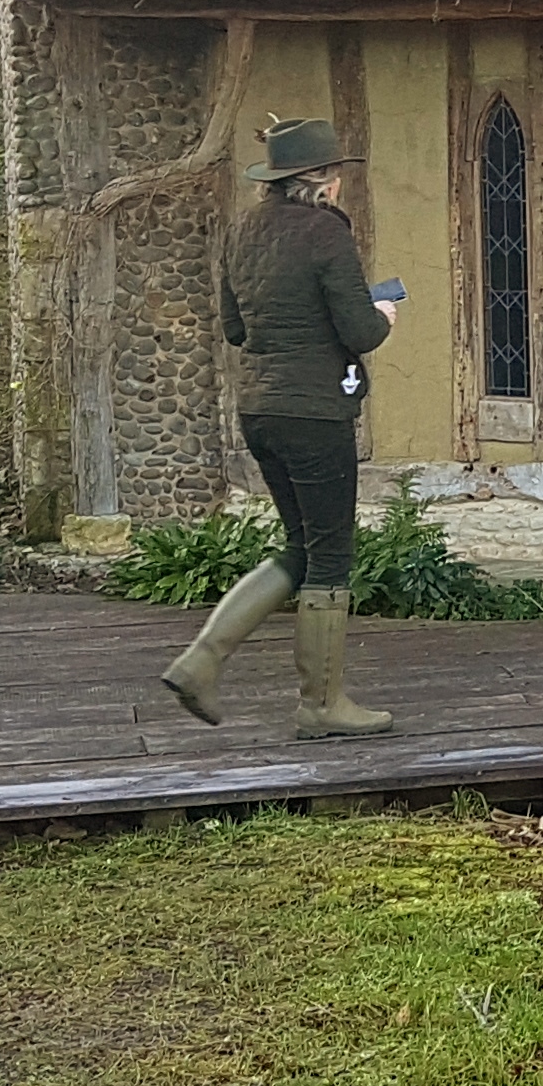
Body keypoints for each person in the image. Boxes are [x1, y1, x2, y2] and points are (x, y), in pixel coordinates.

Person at [160, 115, 397, 738]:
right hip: (315, 413)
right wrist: (383, 312)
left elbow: (236, 329)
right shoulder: (326, 234)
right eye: (337, 175)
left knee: (300, 546)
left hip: (260, 411)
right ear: (323, 180)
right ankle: (321, 705)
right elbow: (361, 333)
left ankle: (202, 659)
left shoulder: (243, 230)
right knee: (331, 556)